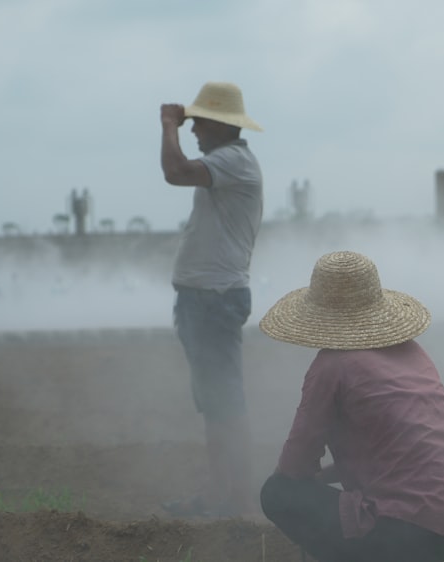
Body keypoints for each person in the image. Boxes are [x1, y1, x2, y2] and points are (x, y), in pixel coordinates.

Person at [258, 251, 444, 562]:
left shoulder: (331, 365)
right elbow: (396, 454)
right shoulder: (414, 354)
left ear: (319, 314)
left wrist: (305, 478)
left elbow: (295, 465)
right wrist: (324, 477)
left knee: (278, 492)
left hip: (423, 536)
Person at [158, 81, 263, 517]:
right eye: (191, 121)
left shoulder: (233, 161)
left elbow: (174, 172)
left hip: (213, 300)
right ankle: (222, 496)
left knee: (225, 406)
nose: (194, 128)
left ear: (221, 125)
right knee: (216, 407)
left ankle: (236, 500)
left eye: (200, 121)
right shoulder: (228, 161)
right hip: (206, 299)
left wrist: (168, 125)